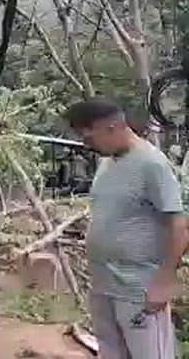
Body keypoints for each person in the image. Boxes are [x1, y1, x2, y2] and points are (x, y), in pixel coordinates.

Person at [65, 98, 189, 359]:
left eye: (90, 138)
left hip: (139, 288)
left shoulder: (152, 164)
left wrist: (165, 281)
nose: (88, 145)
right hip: (103, 284)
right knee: (111, 353)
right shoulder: (107, 163)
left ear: (112, 127)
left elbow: (179, 225)